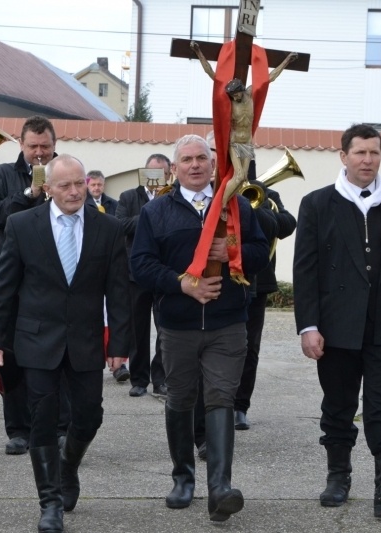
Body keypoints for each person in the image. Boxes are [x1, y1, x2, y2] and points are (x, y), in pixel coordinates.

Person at [0, 154, 131, 533]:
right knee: (41, 420)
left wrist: (120, 346)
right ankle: (50, 503)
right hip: (36, 340)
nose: (75, 191)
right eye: (65, 185)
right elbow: (4, 288)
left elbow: (119, 292)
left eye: (79, 183)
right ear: (48, 188)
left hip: (85, 340)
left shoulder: (108, 228)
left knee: (89, 416)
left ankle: (67, 467)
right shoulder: (20, 224)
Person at [292, 123, 381, 517]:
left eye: (374, 152)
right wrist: (308, 326)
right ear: (343, 156)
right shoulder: (317, 204)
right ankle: (338, 478)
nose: (367, 160)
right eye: (360, 153)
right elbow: (305, 271)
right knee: (337, 406)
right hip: (336, 328)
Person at [130, 134, 269, 521]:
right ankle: (183, 478)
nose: (194, 165)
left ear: (213, 165)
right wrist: (182, 283)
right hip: (178, 325)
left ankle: (220, 487)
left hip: (227, 324)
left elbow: (261, 252)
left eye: (201, 158)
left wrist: (234, 252)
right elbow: (140, 264)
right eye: (186, 160)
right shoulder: (156, 212)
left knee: (222, 398)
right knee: (180, 398)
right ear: (173, 169)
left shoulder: (237, 206)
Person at [0, 115, 56, 455]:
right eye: (33, 146)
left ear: (55, 146)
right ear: (21, 145)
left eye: (46, 147)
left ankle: (59, 428)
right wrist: (28, 194)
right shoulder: (2, 175)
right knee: (10, 354)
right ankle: (19, 430)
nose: (39, 154)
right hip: (13, 275)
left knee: (57, 354)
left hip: (55, 276)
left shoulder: (64, 171)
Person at [190, 41, 296, 203]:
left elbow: (270, 77)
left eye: (237, 95)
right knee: (238, 175)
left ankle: (231, 203)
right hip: (234, 142)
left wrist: (287, 61)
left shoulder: (250, 93)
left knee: (243, 178)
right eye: (232, 96)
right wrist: (198, 53)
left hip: (247, 142)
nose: (235, 98)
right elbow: (211, 73)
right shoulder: (231, 101)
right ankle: (221, 205)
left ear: (241, 90)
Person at [234, 170, 297, 431]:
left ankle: (240, 406)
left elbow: (286, 225)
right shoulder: (210, 189)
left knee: (250, 347)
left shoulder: (265, 193)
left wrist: (252, 206)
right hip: (222, 278)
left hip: (256, 282)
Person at [116, 154, 169, 398]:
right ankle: (138, 380)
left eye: (160, 173)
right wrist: (151, 212)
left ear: (168, 174)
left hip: (164, 272)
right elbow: (120, 226)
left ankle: (161, 379)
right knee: (137, 331)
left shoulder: (174, 195)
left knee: (165, 330)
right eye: (151, 172)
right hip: (134, 273)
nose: (155, 178)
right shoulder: (129, 196)